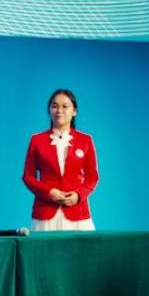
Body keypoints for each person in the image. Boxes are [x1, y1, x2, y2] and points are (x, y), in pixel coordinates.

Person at [23, 89, 99, 231]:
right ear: (49, 110)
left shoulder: (86, 140)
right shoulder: (36, 140)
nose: (59, 110)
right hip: (45, 213)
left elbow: (92, 177)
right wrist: (49, 192)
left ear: (74, 111)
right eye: (54, 106)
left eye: (65, 106)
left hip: (77, 212)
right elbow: (28, 177)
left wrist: (78, 196)